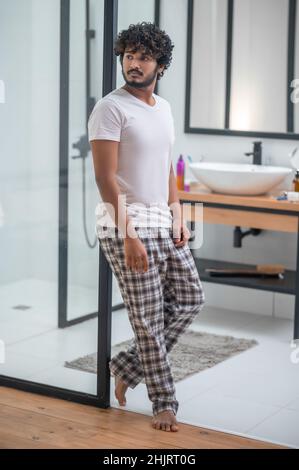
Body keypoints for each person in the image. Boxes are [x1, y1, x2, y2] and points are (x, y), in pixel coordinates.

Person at [88, 22, 205, 432]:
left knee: (191, 298)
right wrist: (129, 236)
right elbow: (105, 179)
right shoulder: (110, 108)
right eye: (128, 56)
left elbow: (165, 168)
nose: (133, 64)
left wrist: (178, 213)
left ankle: (124, 365)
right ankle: (164, 404)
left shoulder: (164, 108)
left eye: (143, 57)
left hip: (162, 221)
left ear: (161, 65)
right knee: (148, 319)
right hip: (126, 225)